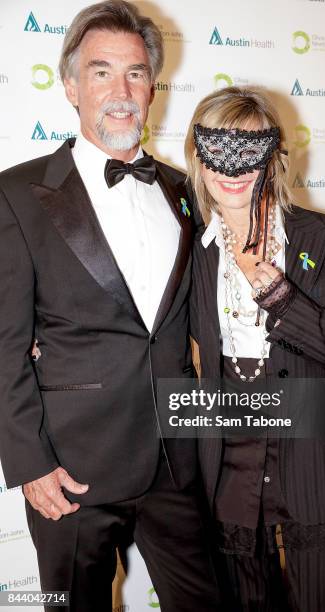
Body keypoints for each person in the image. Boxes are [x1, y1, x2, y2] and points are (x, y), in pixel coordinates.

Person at [0, 2, 221, 611]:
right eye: (101, 72)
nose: (121, 92)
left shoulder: (184, 190)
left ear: (153, 85)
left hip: (180, 459)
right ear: (71, 85)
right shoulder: (17, 193)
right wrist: (30, 463)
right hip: (73, 469)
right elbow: (5, 343)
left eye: (135, 73)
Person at [185, 86, 325, 611]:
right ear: (197, 155)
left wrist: (278, 294)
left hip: (314, 458)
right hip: (228, 458)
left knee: (317, 601)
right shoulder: (191, 250)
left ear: (272, 156)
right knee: (246, 601)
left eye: (248, 151)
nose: (231, 169)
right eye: (217, 150)